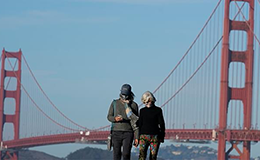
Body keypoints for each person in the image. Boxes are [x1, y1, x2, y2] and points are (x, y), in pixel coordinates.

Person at [107, 84, 139, 160]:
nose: (124, 95)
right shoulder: (115, 103)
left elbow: (136, 122)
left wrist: (137, 137)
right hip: (116, 132)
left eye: (125, 94)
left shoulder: (134, 105)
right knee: (116, 154)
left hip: (128, 132)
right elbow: (109, 117)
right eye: (123, 93)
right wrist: (115, 119)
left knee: (126, 154)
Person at [138, 91, 165, 160]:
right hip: (147, 136)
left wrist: (161, 136)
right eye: (148, 100)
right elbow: (140, 124)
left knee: (143, 156)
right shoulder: (142, 111)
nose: (149, 102)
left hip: (152, 136)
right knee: (150, 157)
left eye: (150, 100)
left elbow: (162, 124)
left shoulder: (143, 111)